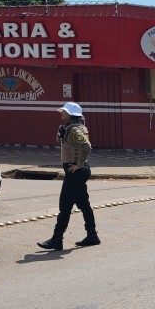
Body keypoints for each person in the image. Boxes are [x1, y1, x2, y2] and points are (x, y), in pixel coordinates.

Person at [38, 102, 99, 250]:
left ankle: (57, 239)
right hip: (77, 172)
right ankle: (92, 235)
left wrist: (79, 164)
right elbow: (61, 141)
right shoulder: (71, 128)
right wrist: (60, 132)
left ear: (71, 115)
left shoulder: (74, 130)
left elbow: (86, 146)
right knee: (84, 204)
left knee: (65, 205)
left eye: (64, 112)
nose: (62, 114)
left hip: (76, 171)